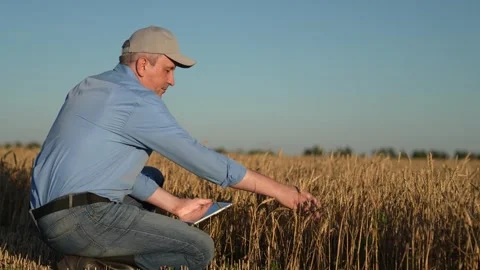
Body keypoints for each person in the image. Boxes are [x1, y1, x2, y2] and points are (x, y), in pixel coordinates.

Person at [29, 25, 319, 270]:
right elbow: (203, 162)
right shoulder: (139, 101)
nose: (172, 80)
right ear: (143, 65)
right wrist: (283, 192)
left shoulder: (89, 86)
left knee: (151, 175)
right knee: (198, 248)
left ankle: (87, 253)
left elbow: (104, 171)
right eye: (168, 69)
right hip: (81, 221)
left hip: (46, 220)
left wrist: (177, 205)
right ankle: (92, 263)